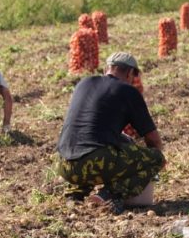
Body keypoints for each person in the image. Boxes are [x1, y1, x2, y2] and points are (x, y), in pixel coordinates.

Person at [56, 52, 165, 213]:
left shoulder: (84, 83)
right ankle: (110, 194)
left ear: (107, 68)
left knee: (89, 150)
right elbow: (154, 140)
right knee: (156, 158)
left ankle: (75, 196)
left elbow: (90, 129)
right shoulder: (128, 91)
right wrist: (151, 162)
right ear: (129, 73)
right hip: (95, 160)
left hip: (64, 164)